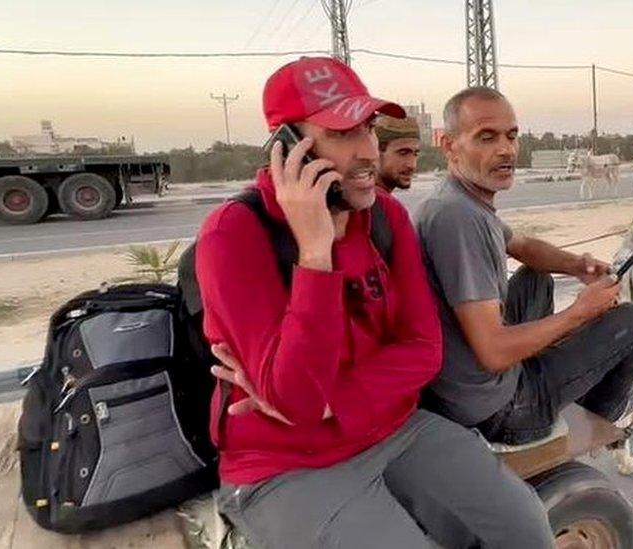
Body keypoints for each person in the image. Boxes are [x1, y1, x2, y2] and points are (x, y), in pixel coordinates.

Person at [195, 59, 552, 549]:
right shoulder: (234, 234)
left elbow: (424, 349)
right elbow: (297, 402)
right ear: (286, 146)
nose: (367, 152)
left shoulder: (384, 217)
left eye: (366, 128)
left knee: (525, 527)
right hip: (287, 464)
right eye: (342, 133)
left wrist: (332, 405)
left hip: (396, 429)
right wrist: (316, 255)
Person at [413, 87, 633, 446]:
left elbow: (523, 246)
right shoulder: (459, 218)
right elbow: (493, 351)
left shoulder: (456, 197)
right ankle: (593, 426)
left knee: (536, 278)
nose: (506, 150)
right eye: (486, 137)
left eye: (511, 136)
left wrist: (577, 265)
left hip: (462, 383)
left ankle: (551, 375)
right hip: (500, 409)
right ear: (450, 146)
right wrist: (580, 311)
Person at [375, 114, 421, 192]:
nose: (412, 165)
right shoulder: (364, 202)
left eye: (415, 154)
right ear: (376, 152)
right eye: (403, 153)